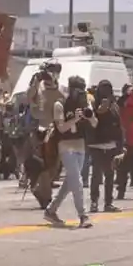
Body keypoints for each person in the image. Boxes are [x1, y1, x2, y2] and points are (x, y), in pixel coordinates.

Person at [43, 75, 95, 228]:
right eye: (77, 91)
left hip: (80, 145)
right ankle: (83, 215)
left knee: (70, 181)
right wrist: (75, 119)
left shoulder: (85, 103)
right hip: (66, 145)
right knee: (77, 180)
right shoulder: (60, 104)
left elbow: (95, 123)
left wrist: (89, 115)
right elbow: (61, 128)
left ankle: (51, 210)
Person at [26, 60, 66, 208]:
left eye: (56, 71)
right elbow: (28, 97)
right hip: (40, 131)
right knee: (43, 165)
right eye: (51, 71)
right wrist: (35, 81)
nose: (53, 74)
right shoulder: (38, 88)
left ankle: (41, 190)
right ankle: (45, 196)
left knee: (55, 167)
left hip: (56, 131)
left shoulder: (61, 89)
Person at [86, 80, 123, 213]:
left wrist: (121, 145)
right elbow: (93, 120)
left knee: (110, 175)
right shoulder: (93, 104)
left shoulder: (114, 105)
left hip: (111, 145)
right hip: (96, 144)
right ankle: (94, 202)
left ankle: (108, 203)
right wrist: (101, 109)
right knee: (96, 175)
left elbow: (119, 126)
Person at [116, 84, 133, 200]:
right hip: (126, 143)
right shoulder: (126, 105)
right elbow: (123, 100)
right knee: (122, 169)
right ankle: (121, 191)